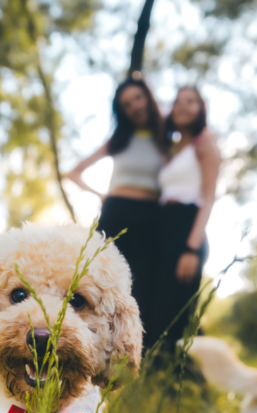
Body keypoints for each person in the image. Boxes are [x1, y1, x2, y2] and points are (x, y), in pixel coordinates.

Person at [64, 75, 165, 346]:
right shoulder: (119, 140)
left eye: (137, 98)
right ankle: (94, 344)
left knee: (144, 284)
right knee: (101, 280)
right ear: (122, 111)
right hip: (116, 213)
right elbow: (73, 172)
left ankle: (137, 349)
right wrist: (101, 196)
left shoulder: (165, 137)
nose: (134, 105)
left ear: (148, 97)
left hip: (151, 218)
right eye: (126, 104)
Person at [148, 86, 220, 350]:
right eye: (178, 101)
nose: (182, 106)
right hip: (163, 229)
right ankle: (158, 379)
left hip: (187, 228)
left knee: (173, 318)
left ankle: (188, 381)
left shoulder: (206, 144)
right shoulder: (173, 148)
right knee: (155, 308)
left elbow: (208, 197)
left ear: (201, 108)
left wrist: (190, 246)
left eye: (191, 101)